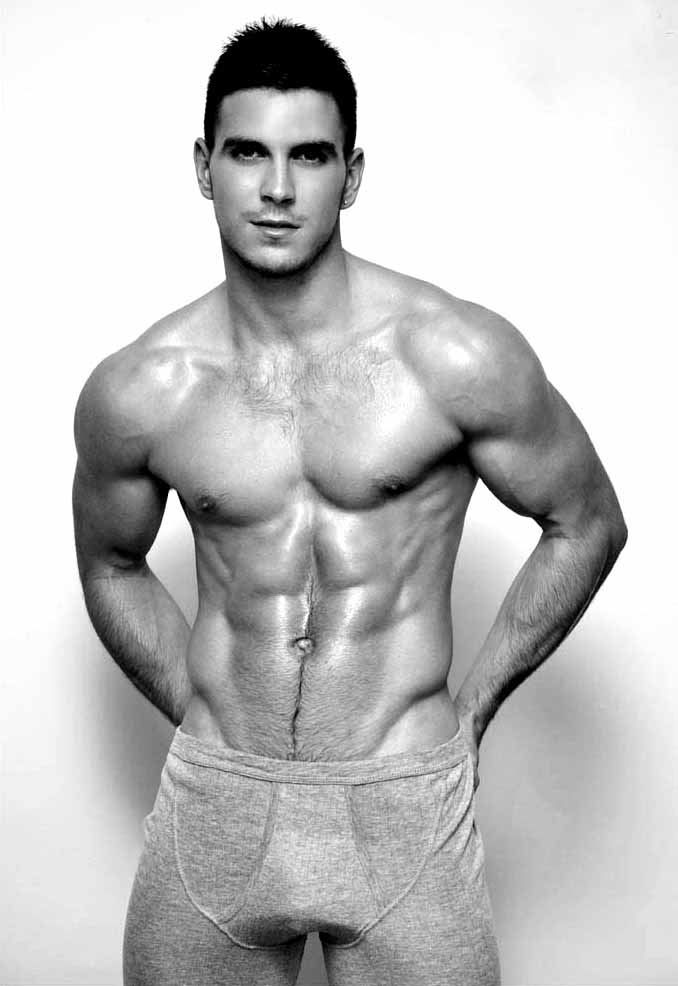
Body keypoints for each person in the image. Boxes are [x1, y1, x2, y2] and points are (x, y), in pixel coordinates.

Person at [71, 17, 627, 986]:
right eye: (248, 153)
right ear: (204, 167)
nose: (277, 189)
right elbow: (110, 564)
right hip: (217, 805)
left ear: (353, 175)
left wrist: (473, 710)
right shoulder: (142, 389)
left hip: (402, 802)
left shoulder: (453, 354)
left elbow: (586, 522)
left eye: (310, 156)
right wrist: (202, 707)